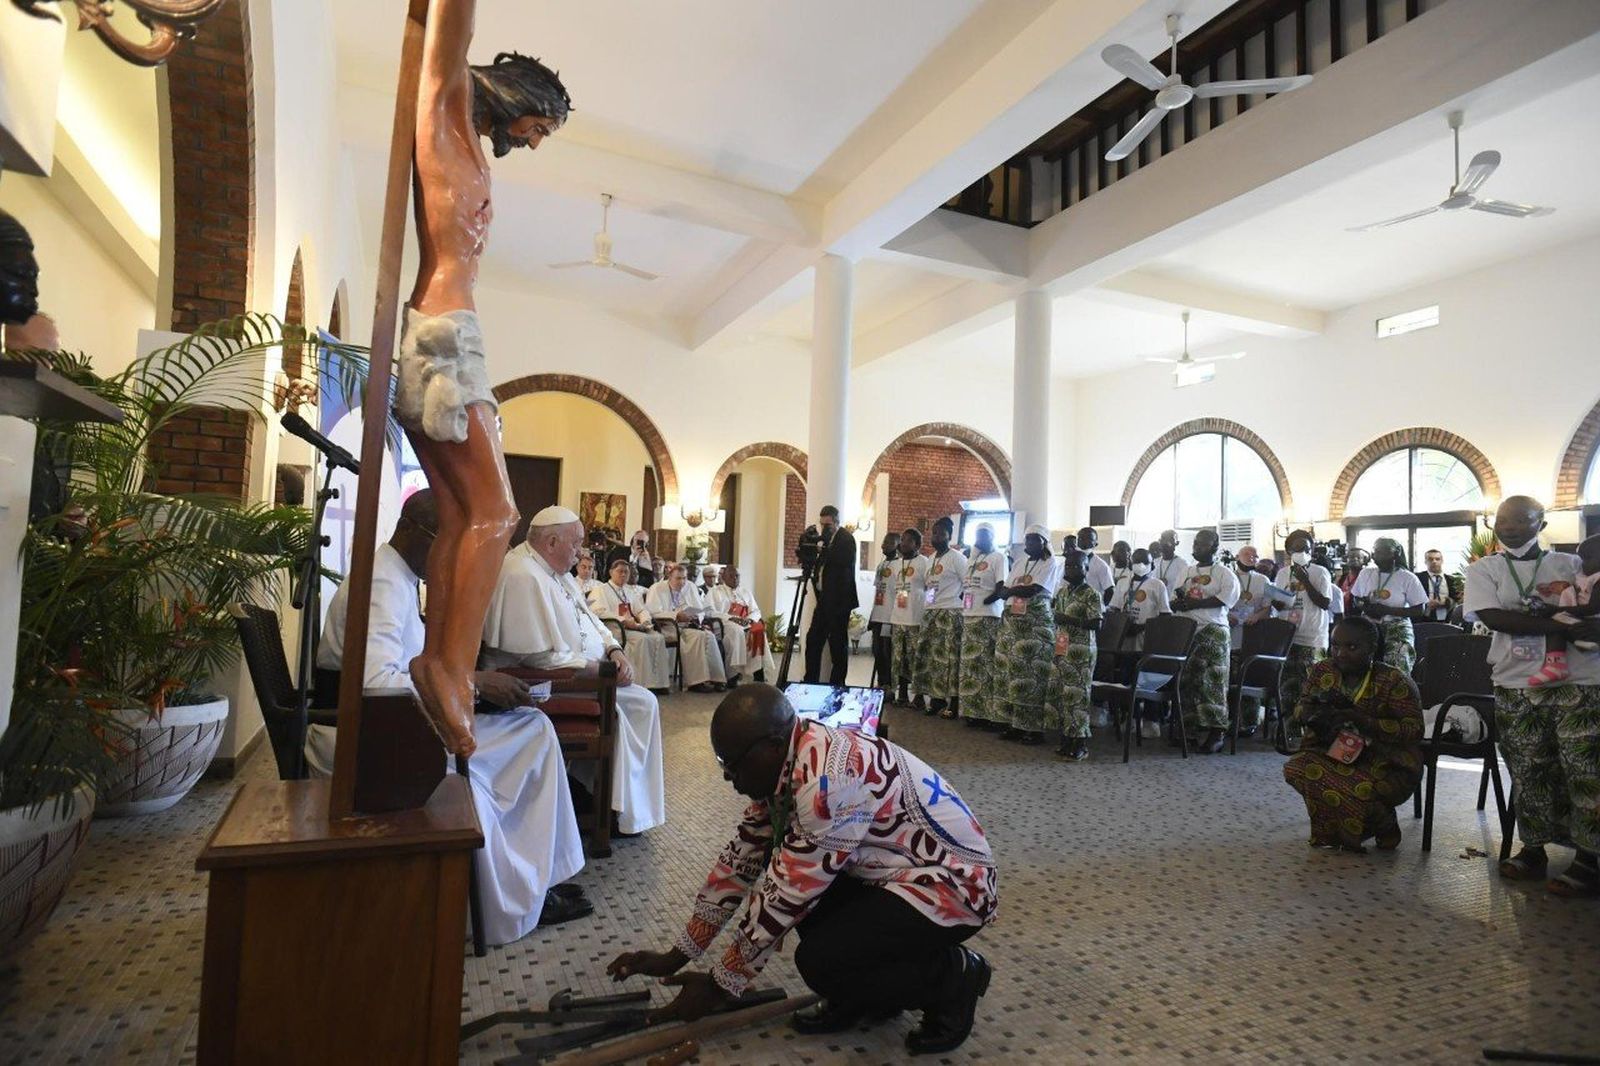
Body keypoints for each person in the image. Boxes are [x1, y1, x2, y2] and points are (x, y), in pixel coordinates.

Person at [605, 685, 996, 1054]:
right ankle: (862, 998)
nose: (728, 777)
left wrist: (718, 986)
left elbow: (786, 895)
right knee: (819, 918)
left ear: (774, 746)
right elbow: (739, 862)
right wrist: (675, 956)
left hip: (954, 887)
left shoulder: (830, 782)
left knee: (820, 961)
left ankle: (954, 978)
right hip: (892, 874)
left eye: (734, 764)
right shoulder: (790, 759)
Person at [392, 8, 570, 757]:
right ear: (518, 96)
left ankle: (443, 664)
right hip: (444, 337)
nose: (532, 141)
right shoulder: (445, 117)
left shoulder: (469, 151)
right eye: (540, 127)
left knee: (469, 514)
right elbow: (451, 32)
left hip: (447, 336)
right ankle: (449, 669)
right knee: (497, 515)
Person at [310, 490, 591, 941]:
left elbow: (409, 667)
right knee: (529, 737)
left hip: (401, 724)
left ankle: (540, 882)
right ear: (415, 532)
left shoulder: (395, 574)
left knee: (534, 730)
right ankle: (517, 899)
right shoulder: (382, 582)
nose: (449, 556)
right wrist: (474, 684)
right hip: (374, 736)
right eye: (445, 542)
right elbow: (376, 684)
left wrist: (469, 682)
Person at [481, 505, 667, 836]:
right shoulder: (521, 574)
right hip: (549, 682)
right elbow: (535, 658)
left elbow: (591, 619)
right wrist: (599, 668)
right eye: (575, 543)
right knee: (639, 704)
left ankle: (610, 801)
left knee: (643, 702)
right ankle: (610, 808)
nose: (581, 551)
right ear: (551, 542)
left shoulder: (559, 573)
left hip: (589, 674)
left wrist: (614, 648)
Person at [1467, 497, 1600, 897]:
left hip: (1578, 680)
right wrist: (1559, 622)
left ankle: (1590, 858)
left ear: (1540, 523)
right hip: (1517, 681)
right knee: (1529, 769)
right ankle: (1535, 849)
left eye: (1520, 519)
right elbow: (1494, 617)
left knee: (1585, 771)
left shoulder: (1568, 564)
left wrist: (1582, 623)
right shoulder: (1483, 569)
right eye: (1502, 520)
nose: (1508, 526)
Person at [1283, 616, 1423, 853]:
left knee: (1357, 784)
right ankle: (1340, 832)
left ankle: (1383, 821)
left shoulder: (1393, 680)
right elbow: (1300, 707)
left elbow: (1414, 729)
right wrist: (1308, 713)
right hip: (1333, 750)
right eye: (1335, 645)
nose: (1340, 653)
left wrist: (1363, 720)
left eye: (1352, 647)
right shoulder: (1322, 671)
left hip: (1386, 759)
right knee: (1297, 768)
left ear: (1372, 649)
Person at [1172, 528, 1239, 753]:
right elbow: (1176, 595)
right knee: (1187, 679)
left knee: (1212, 681)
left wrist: (1195, 604)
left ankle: (1217, 731)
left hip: (1213, 631)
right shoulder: (1187, 571)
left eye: (1202, 544)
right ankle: (1188, 728)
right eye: (1196, 543)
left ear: (1214, 547)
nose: (1196, 547)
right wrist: (1179, 603)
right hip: (1188, 631)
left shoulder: (1224, 573)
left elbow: (1225, 599)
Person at [993, 524, 1061, 744]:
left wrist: (1011, 591)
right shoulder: (1021, 562)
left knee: (1032, 675)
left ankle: (1033, 729)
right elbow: (1005, 587)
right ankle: (1015, 724)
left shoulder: (1050, 562)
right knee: (1011, 674)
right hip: (1013, 623)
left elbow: (1034, 590)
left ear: (1044, 542)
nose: (1029, 544)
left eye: (1034, 540)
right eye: (1027, 539)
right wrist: (1011, 591)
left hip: (1035, 626)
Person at [1265, 530, 1335, 743]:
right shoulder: (1283, 573)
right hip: (1288, 636)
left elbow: (1324, 603)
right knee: (1288, 687)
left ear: (1311, 551)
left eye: (1306, 548)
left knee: (1310, 686)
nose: (1302, 552)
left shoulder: (1320, 572)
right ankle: (1290, 732)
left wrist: (1306, 580)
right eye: (1297, 548)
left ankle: (1314, 734)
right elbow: (1278, 603)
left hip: (1311, 636)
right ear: (1289, 551)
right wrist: (1276, 600)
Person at [588, 558, 673, 693]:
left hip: (634, 626)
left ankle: (659, 683)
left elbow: (641, 609)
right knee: (642, 640)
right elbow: (598, 612)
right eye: (620, 571)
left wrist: (644, 621)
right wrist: (623, 620)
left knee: (658, 637)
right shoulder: (600, 590)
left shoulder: (629, 591)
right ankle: (643, 684)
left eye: (626, 572)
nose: (623, 575)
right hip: (615, 628)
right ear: (611, 572)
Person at [1049, 549, 1103, 760]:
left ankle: (1080, 742)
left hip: (1081, 651)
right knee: (1062, 695)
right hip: (1062, 649)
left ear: (1086, 569)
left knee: (1078, 697)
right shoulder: (1062, 593)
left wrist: (1069, 619)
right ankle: (1066, 738)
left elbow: (1097, 623)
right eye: (1068, 566)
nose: (1071, 569)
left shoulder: (1092, 594)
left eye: (1076, 566)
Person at [646, 563, 728, 693]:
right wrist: (676, 615)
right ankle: (697, 682)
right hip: (668, 626)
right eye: (678, 578)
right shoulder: (656, 588)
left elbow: (700, 608)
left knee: (709, 636)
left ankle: (717, 678)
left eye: (684, 578)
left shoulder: (690, 586)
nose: (682, 582)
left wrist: (696, 617)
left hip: (689, 624)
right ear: (669, 577)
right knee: (697, 638)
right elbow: (653, 612)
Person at [1532, 534, 1600, 687]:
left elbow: (1593, 608)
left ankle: (1555, 665)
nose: (1582, 564)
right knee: (1557, 624)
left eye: (1587, 558)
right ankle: (1581, 643)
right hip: (1586, 618)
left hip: (1591, 617)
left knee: (1555, 625)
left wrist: (1559, 609)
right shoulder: (1588, 577)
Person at [959, 523, 1009, 731]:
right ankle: (973, 711)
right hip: (969, 615)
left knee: (986, 665)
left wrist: (985, 602)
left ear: (993, 537)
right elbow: (967, 585)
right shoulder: (973, 558)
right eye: (977, 536)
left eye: (984, 536)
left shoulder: (999, 557)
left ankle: (989, 713)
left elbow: (1001, 587)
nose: (980, 540)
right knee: (971, 666)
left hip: (988, 616)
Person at [1351, 538, 1427, 674]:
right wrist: (1365, 607)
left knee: (1396, 666)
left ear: (1395, 553)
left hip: (1397, 626)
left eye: (1380, 552)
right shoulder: (1366, 573)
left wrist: (1387, 610)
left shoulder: (1407, 577)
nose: (1374, 556)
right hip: (1369, 625)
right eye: (1374, 551)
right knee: (1360, 663)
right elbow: (1356, 599)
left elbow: (1419, 610)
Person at [803, 505, 859, 687]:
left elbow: (843, 561)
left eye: (827, 525)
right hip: (824, 601)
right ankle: (810, 679)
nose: (824, 529)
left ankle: (838, 683)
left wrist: (824, 549)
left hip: (839, 602)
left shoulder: (846, 539)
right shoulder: (826, 541)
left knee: (837, 644)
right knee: (813, 640)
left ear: (836, 522)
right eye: (822, 525)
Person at [918, 517, 968, 719]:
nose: (936, 537)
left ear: (949, 536)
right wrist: (930, 604)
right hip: (932, 612)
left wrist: (961, 606)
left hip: (951, 612)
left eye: (941, 533)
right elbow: (929, 585)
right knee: (933, 659)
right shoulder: (930, 559)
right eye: (934, 533)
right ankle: (937, 698)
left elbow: (967, 585)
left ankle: (954, 702)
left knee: (951, 659)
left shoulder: (957, 558)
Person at [706, 564, 777, 684]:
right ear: (723, 577)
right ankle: (733, 674)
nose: (735, 579)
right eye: (731, 576)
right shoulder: (715, 592)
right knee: (737, 630)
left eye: (737, 576)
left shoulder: (745, 591)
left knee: (758, 630)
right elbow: (709, 611)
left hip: (745, 622)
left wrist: (749, 619)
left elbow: (756, 611)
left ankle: (758, 672)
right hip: (725, 623)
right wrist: (732, 618)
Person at [1229, 546, 1273, 734]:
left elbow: (1268, 607)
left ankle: (1249, 722)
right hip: (1231, 632)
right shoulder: (1229, 576)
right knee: (1230, 677)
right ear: (1238, 556)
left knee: (1250, 676)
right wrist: (1227, 615)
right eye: (1247, 554)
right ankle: (1229, 719)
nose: (1251, 558)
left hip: (1252, 634)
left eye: (1255, 555)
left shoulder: (1262, 580)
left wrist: (1257, 616)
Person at [889, 527, 931, 710]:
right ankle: (903, 694)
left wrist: (928, 608)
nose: (903, 543)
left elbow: (931, 588)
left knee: (917, 658)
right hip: (898, 618)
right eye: (903, 540)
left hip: (916, 618)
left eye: (909, 541)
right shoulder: (896, 564)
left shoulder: (924, 562)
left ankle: (919, 696)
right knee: (899, 659)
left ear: (917, 545)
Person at [1109, 548, 1172, 654]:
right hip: (1124, 635)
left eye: (1145, 562)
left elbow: (1165, 615)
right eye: (1137, 562)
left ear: (1152, 565)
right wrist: (1123, 626)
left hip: (1146, 636)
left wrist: (1141, 627)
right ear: (1130, 564)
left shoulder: (1157, 585)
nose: (1141, 565)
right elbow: (1114, 609)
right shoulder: (1122, 582)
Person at [867, 531, 900, 693]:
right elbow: (878, 592)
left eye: (888, 543)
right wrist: (872, 615)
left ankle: (890, 685)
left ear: (897, 545)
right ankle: (881, 682)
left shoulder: (900, 565)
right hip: (878, 616)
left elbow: (901, 594)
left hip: (890, 617)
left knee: (888, 653)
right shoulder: (881, 565)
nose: (883, 546)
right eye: (883, 542)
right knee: (877, 651)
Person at [1074, 526, 1116, 602]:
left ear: (1095, 544)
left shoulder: (1101, 565)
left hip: (1091, 609)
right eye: (1080, 538)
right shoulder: (1070, 561)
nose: (1083, 541)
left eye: (1088, 539)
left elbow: (1110, 590)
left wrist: (1101, 608)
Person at [1417, 548, 1459, 623]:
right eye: (1430, 559)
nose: (1434, 561)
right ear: (1425, 561)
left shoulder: (1451, 580)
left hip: (1447, 619)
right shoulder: (1418, 578)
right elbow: (1412, 599)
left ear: (1442, 561)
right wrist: (1426, 605)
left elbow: (1457, 599)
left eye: (1437, 559)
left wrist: (1446, 603)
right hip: (1423, 619)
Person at [1153, 529, 1189, 594]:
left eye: (1170, 541)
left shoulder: (1182, 564)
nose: (1165, 543)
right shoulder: (1155, 563)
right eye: (1163, 540)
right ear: (1159, 541)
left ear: (1177, 543)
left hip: (1172, 602)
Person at [1107, 540, 1133, 605]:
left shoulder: (1132, 571)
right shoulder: (1108, 569)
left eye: (1122, 551)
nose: (1118, 555)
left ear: (1129, 554)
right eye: (1118, 552)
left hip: (1124, 609)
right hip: (1109, 607)